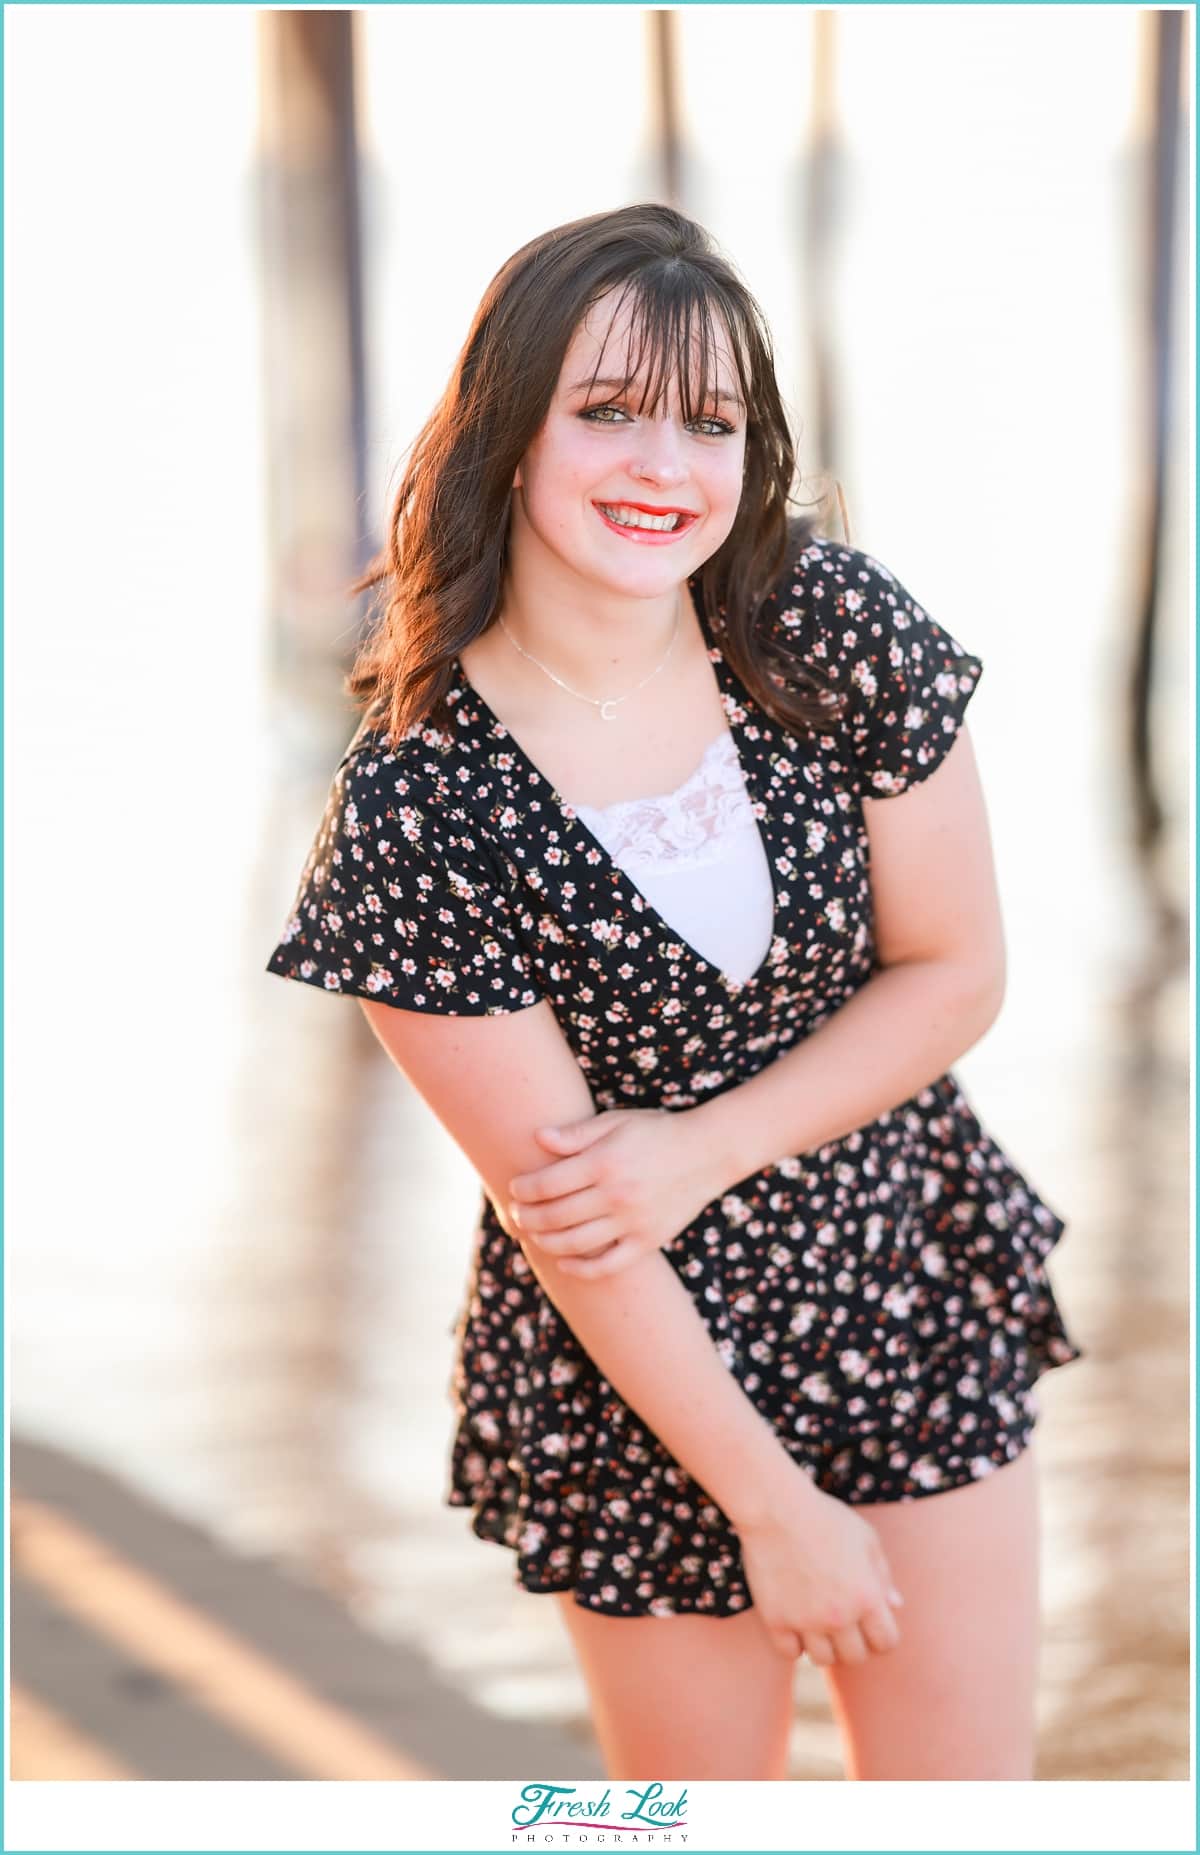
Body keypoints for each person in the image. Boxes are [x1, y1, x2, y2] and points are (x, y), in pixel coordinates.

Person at [266, 202, 1084, 1782]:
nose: (664, 466)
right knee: (674, 1826)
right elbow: (568, 1209)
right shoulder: (417, 810)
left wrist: (706, 1144)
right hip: (641, 1379)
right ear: (511, 430)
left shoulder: (827, 629)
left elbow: (957, 972)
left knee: (968, 1813)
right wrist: (776, 1513)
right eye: (609, 411)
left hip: (895, 1269)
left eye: (709, 422)